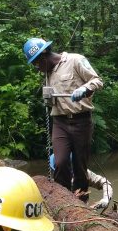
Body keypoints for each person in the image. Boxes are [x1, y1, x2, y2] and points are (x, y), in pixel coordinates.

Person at [23, 37, 103, 201]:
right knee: (60, 162)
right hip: (60, 123)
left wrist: (84, 89)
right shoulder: (47, 73)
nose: (37, 68)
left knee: (80, 166)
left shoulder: (75, 60)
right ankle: (62, 201)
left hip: (81, 121)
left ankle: (81, 202)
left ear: (45, 55)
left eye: (37, 64)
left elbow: (97, 81)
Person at [48, 152, 114, 210]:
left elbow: (105, 183)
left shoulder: (84, 174)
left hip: (83, 210)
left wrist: (106, 199)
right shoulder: (52, 183)